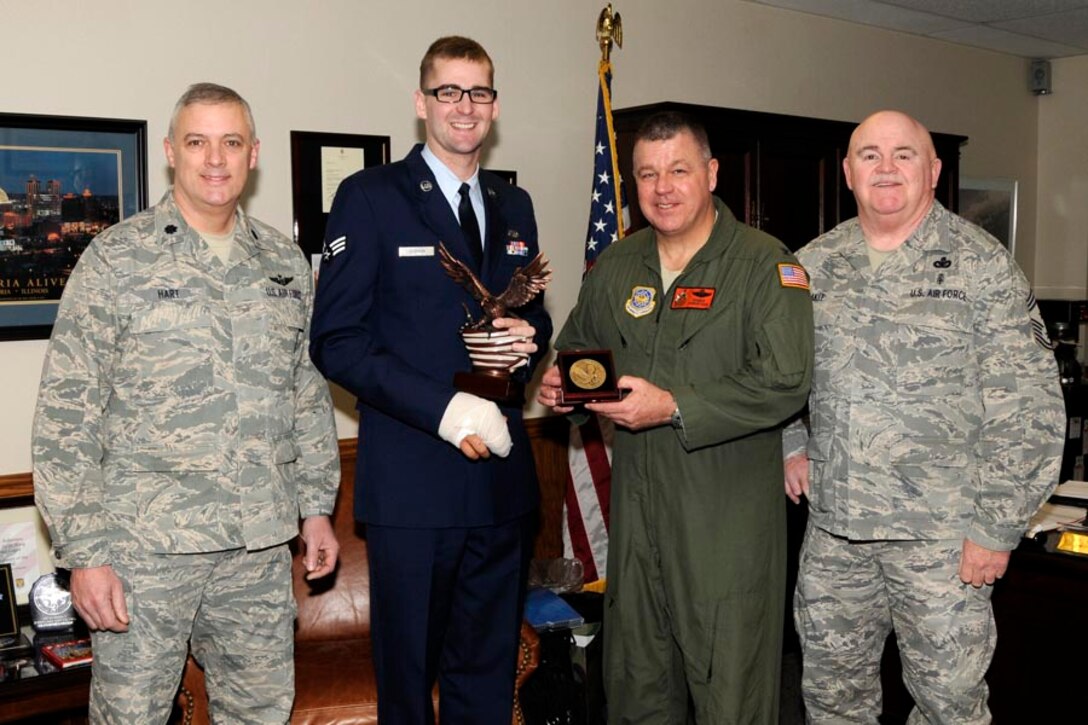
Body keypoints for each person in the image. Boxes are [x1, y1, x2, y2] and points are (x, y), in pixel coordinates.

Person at [32, 82, 341, 723]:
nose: (215, 159)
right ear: (172, 151)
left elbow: (305, 395)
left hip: (257, 548)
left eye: (231, 142)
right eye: (198, 142)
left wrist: (315, 508)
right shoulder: (117, 259)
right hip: (145, 551)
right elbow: (66, 416)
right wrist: (84, 555)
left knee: (259, 714)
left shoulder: (283, 263)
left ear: (253, 153)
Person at [783, 110, 1065, 723]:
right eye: (870, 155)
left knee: (949, 706)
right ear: (848, 171)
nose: (886, 168)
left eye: (904, 154)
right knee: (832, 702)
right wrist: (790, 440)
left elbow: (1030, 407)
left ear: (933, 171)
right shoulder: (811, 265)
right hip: (837, 535)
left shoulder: (979, 264)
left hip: (943, 540)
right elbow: (774, 368)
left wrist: (996, 527)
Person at [538, 111, 813, 723]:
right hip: (637, 523)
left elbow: (786, 380)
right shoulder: (618, 266)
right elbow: (579, 351)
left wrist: (676, 406)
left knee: (732, 699)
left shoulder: (766, 265)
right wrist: (564, 391)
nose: (663, 188)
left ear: (711, 174)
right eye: (647, 174)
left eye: (679, 170)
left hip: (727, 530)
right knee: (636, 689)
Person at [309, 36, 551, 724]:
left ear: (494, 105)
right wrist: (447, 411)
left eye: (479, 92)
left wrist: (528, 347)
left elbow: (534, 319)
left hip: (501, 488)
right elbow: (337, 341)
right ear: (422, 103)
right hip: (414, 490)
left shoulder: (516, 204)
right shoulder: (371, 198)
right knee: (409, 691)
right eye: (449, 91)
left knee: (486, 681)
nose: (465, 107)